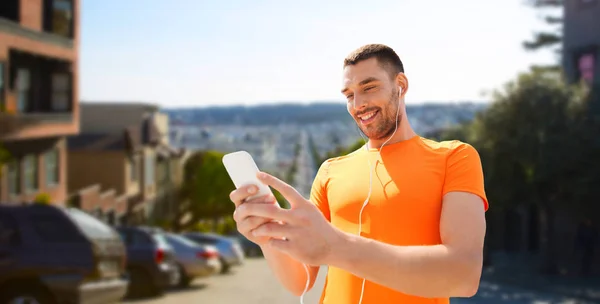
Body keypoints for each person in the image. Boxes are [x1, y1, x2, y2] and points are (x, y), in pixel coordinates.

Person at [229, 44, 488, 304]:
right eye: (349, 95)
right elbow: (301, 281)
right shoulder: (330, 171)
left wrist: (336, 248)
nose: (358, 104)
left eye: (369, 87)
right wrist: (267, 235)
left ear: (401, 84)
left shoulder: (454, 157)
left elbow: (463, 274)